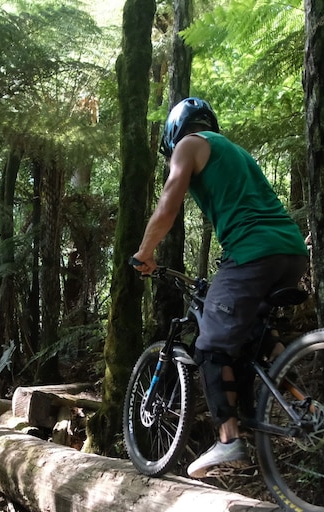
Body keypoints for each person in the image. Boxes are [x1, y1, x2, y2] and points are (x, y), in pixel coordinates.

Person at [133, 97, 310, 479]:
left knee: (210, 344)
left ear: (175, 131)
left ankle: (229, 439)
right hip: (291, 251)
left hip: (251, 252)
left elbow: (168, 203)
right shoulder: (236, 152)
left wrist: (145, 252)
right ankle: (309, 408)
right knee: (255, 336)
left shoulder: (189, 145)